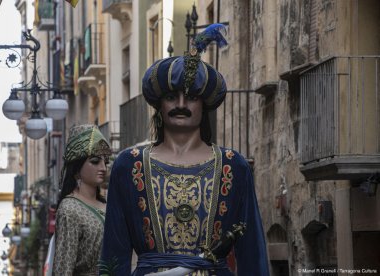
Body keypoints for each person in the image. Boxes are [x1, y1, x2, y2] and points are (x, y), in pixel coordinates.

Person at [100, 24, 269, 275]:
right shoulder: (129, 165)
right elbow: (114, 252)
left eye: (190, 97)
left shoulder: (233, 166)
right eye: (171, 97)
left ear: (203, 104)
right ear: (159, 105)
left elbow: (252, 253)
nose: (181, 104)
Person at [53, 124, 111, 276]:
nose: (103, 167)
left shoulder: (108, 206)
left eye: (106, 161)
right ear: (77, 167)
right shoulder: (69, 210)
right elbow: (62, 269)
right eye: (95, 161)